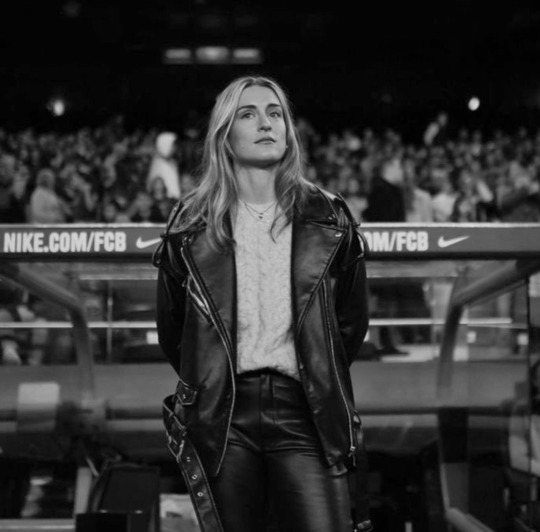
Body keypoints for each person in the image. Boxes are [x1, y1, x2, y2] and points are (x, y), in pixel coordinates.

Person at [153, 75, 371, 532]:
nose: (266, 123)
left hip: (306, 412)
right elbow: (176, 333)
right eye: (248, 114)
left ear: (288, 131)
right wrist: (212, 378)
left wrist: (315, 372)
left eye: (275, 114)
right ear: (224, 135)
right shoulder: (190, 223)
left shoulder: (329, 215)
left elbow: (349, 325)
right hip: (223, 417)